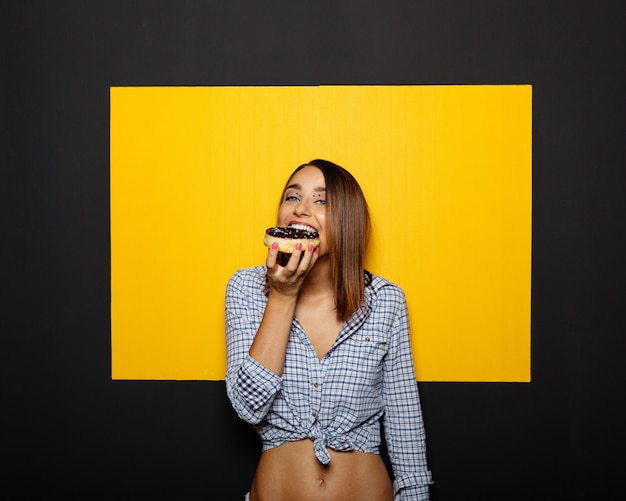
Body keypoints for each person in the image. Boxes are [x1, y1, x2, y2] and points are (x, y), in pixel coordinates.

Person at [225, 159, 433, 500]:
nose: (301, 210)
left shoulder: (385, 301)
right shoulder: (246, 289)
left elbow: (404, 423)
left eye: (321, 201)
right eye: (292, 197)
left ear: (347, 219)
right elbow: (249, 407)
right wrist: (282, 295)